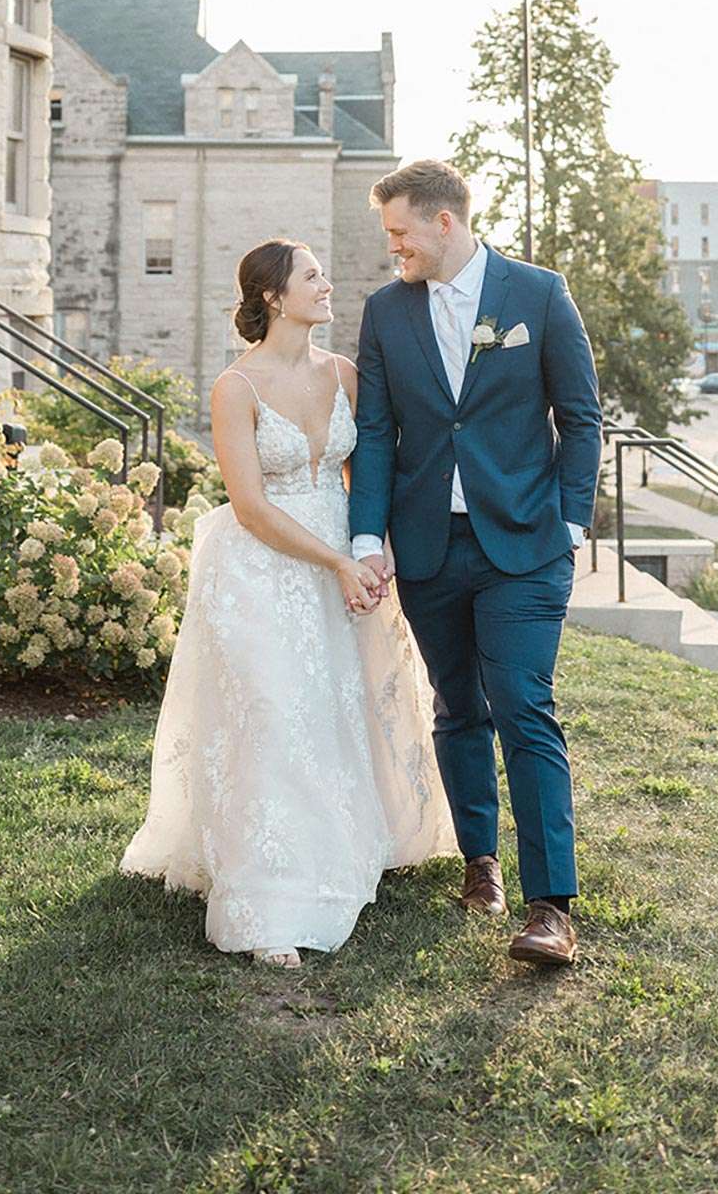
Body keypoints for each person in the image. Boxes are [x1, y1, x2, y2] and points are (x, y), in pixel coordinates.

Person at [119, 238, 453, 967]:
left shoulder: (346, 374)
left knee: (345, 705)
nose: (327, 284)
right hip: (265, 565)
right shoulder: (234, 388)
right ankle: (267, 897)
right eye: (313, 276)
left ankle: (354, 843)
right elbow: (248, 506)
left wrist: (373, 546)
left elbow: (373, 470)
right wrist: (333, 559)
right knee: (273, 714)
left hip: (344, 555)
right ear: (273, 296)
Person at [350, 159, 603, 967]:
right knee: (458, 707)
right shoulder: (386, 313)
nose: (395, 250)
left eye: (400, 234)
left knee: (525, 707)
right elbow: (378, 434)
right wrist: (367, 538)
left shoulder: (538, 295)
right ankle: (480, 863)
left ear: (444, 223)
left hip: (524, 546)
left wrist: (568, 522)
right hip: (428, 546)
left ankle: (551, 908)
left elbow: (582, 417)